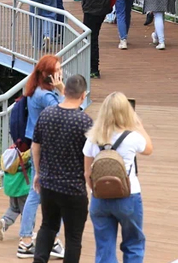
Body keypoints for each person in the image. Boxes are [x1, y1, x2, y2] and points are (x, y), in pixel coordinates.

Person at [83, 93, 153, 263]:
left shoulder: (93, 137)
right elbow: (149, 148)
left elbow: (87, 173)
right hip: (128, 195)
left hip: (100, 199)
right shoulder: (132, 137)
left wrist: (96, 191)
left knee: (104, 246)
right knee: (133, 243)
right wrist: (139, 126)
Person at [31, 74, 92, 263]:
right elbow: (91, 155)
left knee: (47, 226)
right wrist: (89, 181)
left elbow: (36, 146)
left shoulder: (47, 114)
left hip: (49, 184)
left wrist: (39, 173)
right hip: (74, 188)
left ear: (64, 92)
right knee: (73, 237)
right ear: (83, 95)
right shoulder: (85, 122)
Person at [18, 56, 67, 260]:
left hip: (37, 143)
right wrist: (63, 90)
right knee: (47, 193)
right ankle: (36, 240)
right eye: (58, 70)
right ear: (50, 75)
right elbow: (68, 112)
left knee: (36, 192)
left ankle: (28, 239)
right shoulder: (46, 96)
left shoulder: (34, 90)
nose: (61, 72)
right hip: (48, 147)